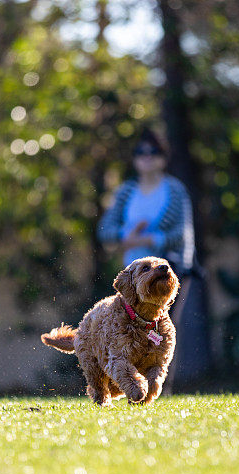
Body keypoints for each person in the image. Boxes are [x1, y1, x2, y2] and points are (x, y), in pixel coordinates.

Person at [97, 128, 196, 327]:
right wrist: (125, 236)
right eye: (141, 152)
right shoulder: (126, 191)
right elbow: (105, 229)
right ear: (135, 159)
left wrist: (149, 239)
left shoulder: (175, 190)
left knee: (162, 330)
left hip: (168, 271)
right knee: (131, 330)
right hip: (134, 277)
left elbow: (182, 232)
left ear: (163, 158)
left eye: (154, 152)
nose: (147, 157)